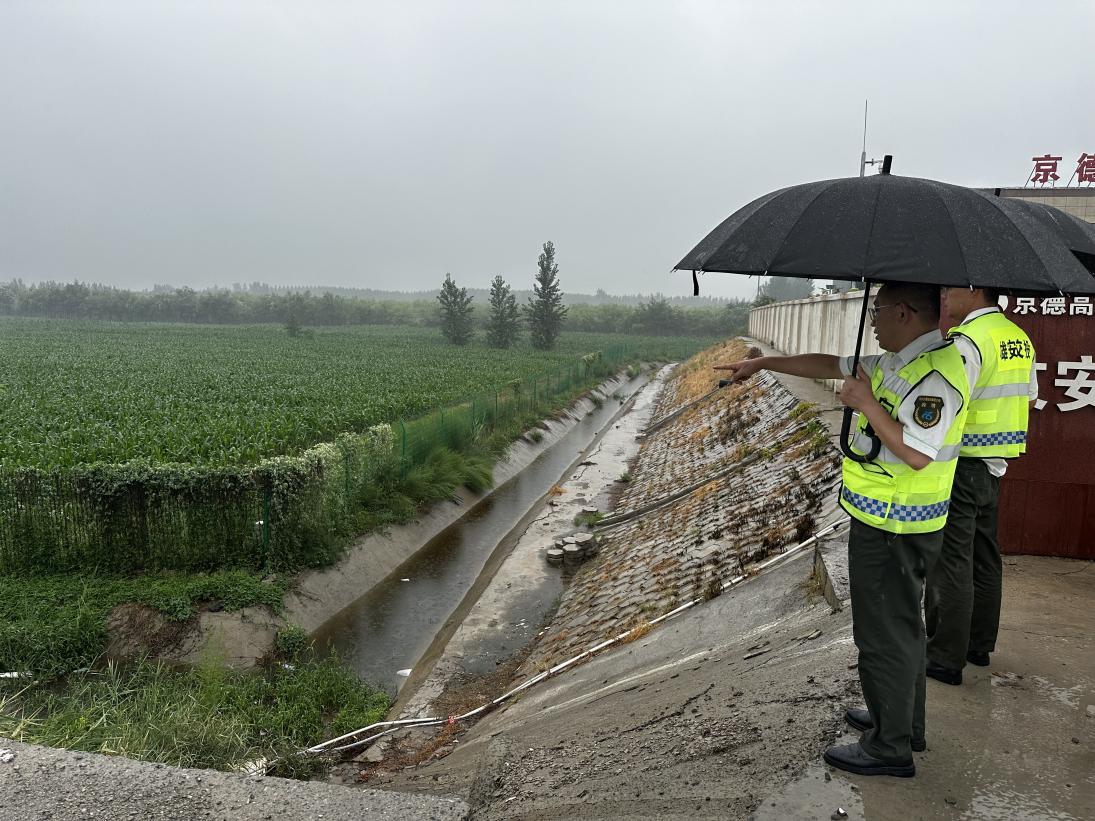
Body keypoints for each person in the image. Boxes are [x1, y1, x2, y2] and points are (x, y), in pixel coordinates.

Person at [714, 282, 969, 778]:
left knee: (882, 633)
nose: (871, 319)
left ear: (903, 311)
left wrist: (866, 404)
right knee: (901, 626)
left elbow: (918, 453)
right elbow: (828, 364)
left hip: (897, 524)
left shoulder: (935, 374)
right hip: (887, 518)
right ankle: (899, 720)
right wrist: (763, 365)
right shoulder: (900, 361)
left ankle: (888, 747)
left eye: (876, 310)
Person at [921, 287, 1037, 684]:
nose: (945, 297)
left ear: (973, 291)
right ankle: (978, 646)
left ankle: (943, 657)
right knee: (986, 558)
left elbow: (946, 403)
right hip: (995, 464)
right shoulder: (1018, 338)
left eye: (950, 289)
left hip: (962, 465)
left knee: (951, 561)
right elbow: (1030, 396)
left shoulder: (968, 341)